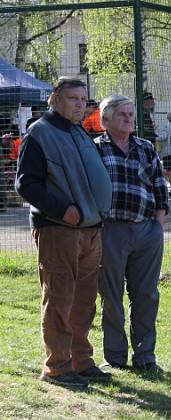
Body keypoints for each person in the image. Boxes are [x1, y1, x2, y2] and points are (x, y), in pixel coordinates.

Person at [15, 76, 113, 388]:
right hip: (59, 230)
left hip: (90, 230)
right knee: (59, 298)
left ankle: (81, 361)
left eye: (83, 99)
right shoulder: (39, 134)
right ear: (55, 98)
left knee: (84, 300)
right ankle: (57, 367)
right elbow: (26, 184)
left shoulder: (78, 132)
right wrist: (64, 211)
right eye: (73, 98)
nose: (80, 105)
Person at [94, 94, 169, 372]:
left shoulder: (146, 147)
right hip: (109, 230)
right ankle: (114, 357)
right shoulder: (95, 149)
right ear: (106, 120)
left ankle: (145, 356)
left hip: (146, 229)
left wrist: (157, 226)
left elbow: (160, 186)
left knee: (147, 294)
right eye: (121, 114)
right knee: (111, 296)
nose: (128, 119)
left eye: (130, 114)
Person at [156, 110, 171, 195]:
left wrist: (155, 135)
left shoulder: (167, 126)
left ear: (167, 118)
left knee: (170, 170)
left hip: (168, 151)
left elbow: (163, 137)